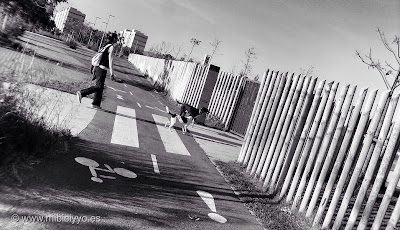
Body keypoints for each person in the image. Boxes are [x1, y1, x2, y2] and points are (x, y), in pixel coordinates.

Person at [76, 32, 118, 108]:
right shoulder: (111, 47)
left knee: (100, 87)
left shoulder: (105, 45)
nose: (117, 40)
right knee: (99, 87)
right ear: (114, 39)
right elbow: (111, 61)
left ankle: (96, 104)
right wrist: (112, 73)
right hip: (101, 69)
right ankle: (81, 93)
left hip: (99, 68)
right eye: (117, 38)